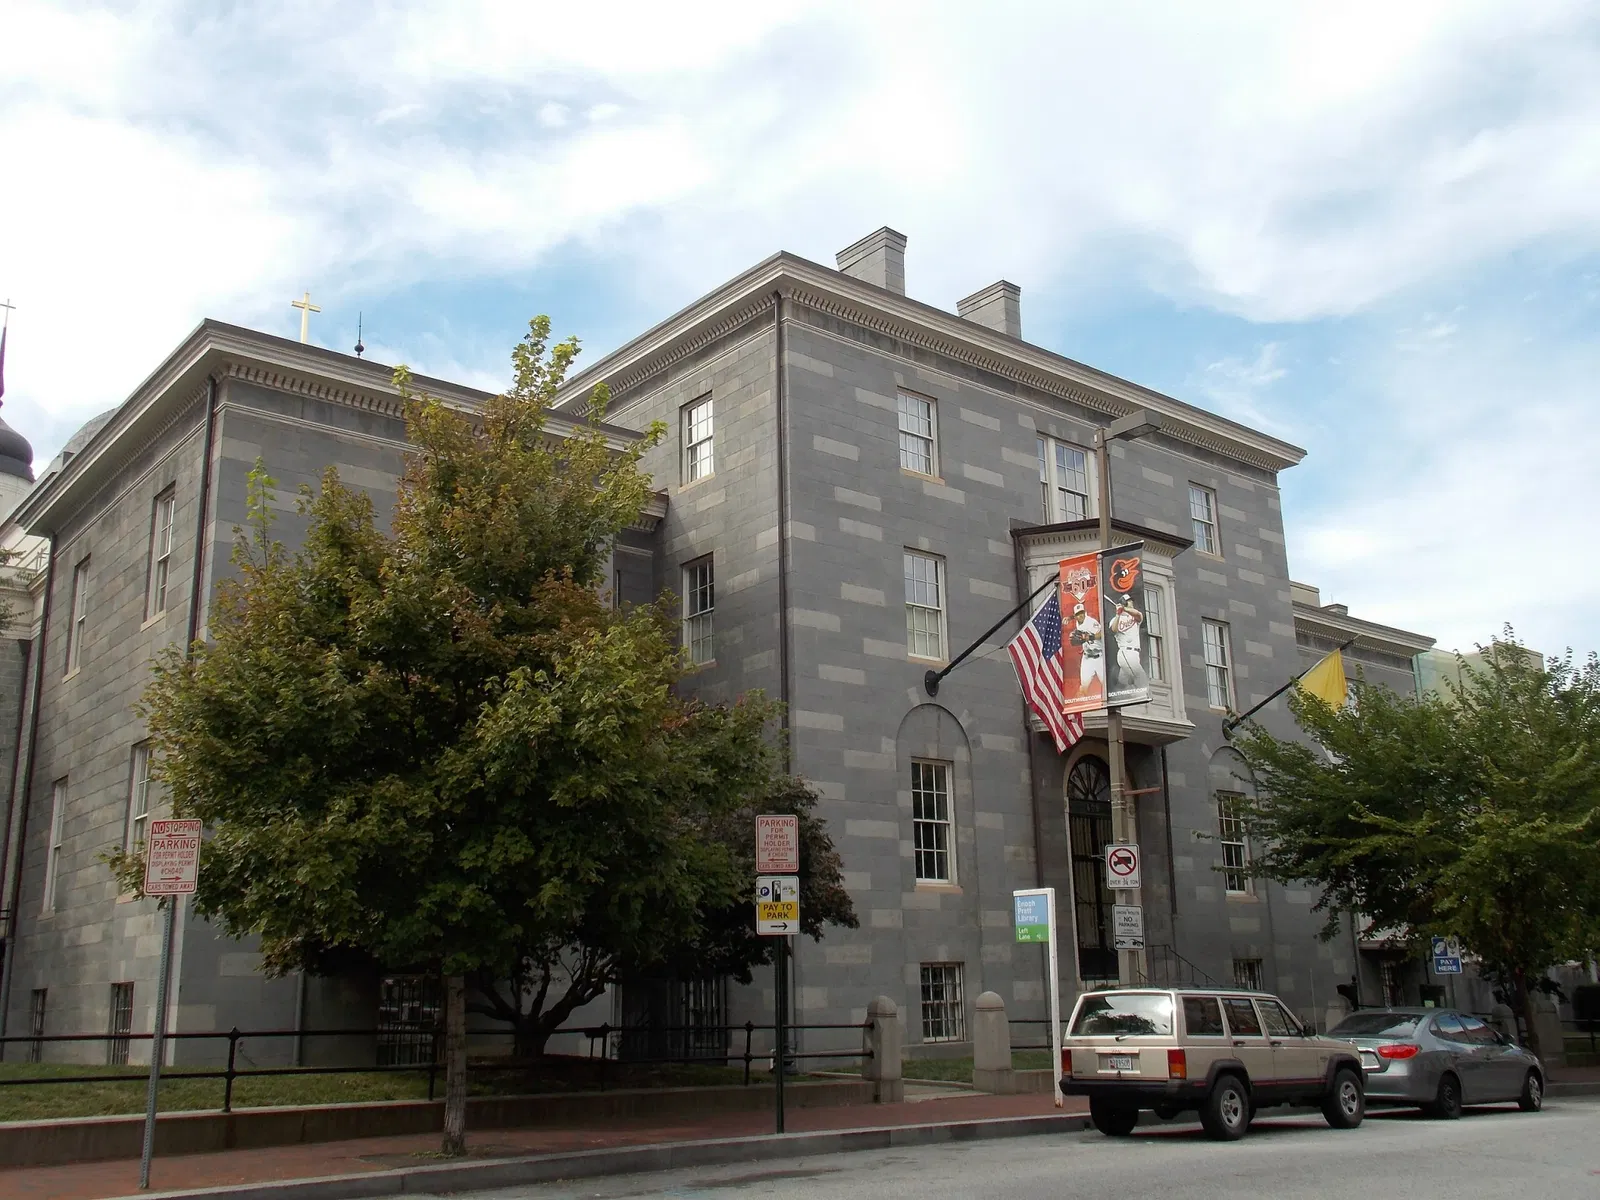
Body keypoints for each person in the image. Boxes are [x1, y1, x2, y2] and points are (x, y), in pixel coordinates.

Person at [1107, 591, 1149, 698]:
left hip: (1135, 654)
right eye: (1129, 601)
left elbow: (1139, 615)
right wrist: (1118, 614)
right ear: (1124, 602)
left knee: (1123, 684)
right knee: (1140, 676)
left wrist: (1124, 609)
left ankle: (1119, 696)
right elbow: (1113, 629)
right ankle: (1142, 695)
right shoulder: (1115, 620)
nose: (1132, 602)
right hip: (1125, 652)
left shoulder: (1134, 617)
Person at [1068, 602, 1104, 701]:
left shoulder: (1091, 622)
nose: (1081, 615)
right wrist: (1069, 617)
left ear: (1085, 612)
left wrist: (1090, 637)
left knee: (1105, 684)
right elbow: (1075, 617)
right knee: (1084, 687)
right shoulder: (1077, 622)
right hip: (1087, 658)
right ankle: (1082, 706)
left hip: (1099, 657)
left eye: (1082, 613)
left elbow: (1101, 634)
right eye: (1078, 614)